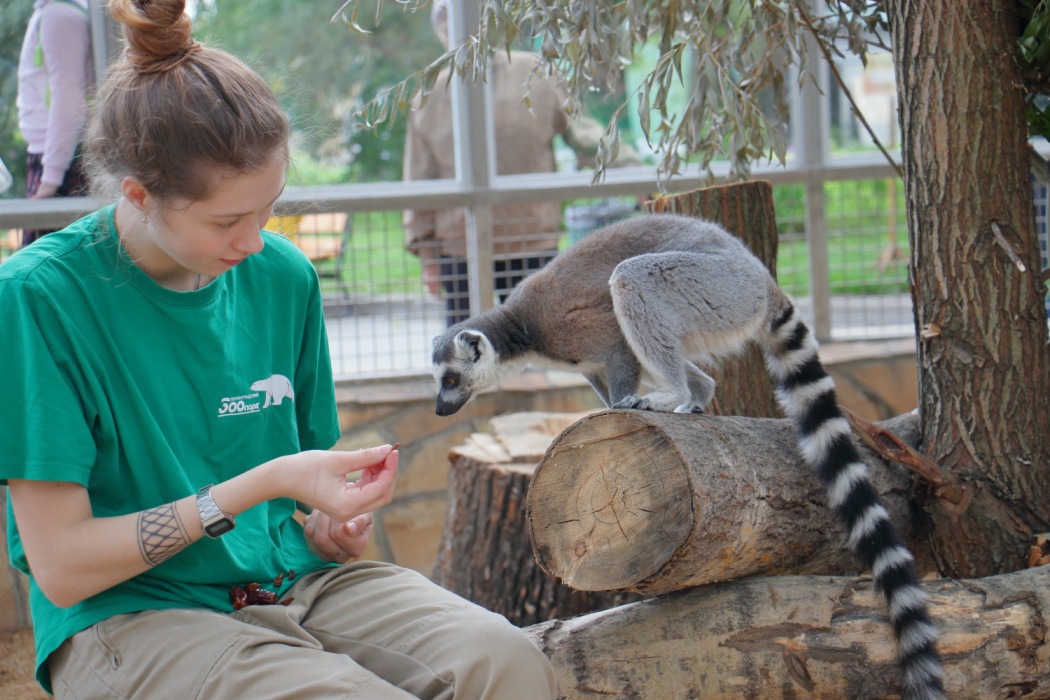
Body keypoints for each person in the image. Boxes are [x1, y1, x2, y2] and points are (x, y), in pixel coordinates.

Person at [0, 1, 558, 698]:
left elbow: (304, 502)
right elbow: (61, 566)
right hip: (134, 614)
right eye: (228, 220)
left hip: (295, 581)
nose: (256, 240)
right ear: (140, 195)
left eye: (270, 209)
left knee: (503, 658)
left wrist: (328, 521)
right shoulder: (36, 298)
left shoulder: (283, 276)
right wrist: (257, 488)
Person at [403, 0, 640, 327]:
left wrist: (639, 178)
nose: (453, 25)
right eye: (444, 17)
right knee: (465, 350)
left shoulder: (538, 73)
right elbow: (419, 182)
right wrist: (429, 258)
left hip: (530, 243)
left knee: (540, 341)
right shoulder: (427, 96)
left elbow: (590, 139)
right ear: (439, 28)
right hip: (461, 250)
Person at [16, 0, 94, 247]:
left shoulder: (59, 14)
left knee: (44, 264)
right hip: (54, 156)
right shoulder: (50, 12)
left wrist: (49, 180)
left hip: (61, 161)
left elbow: (68, 99)